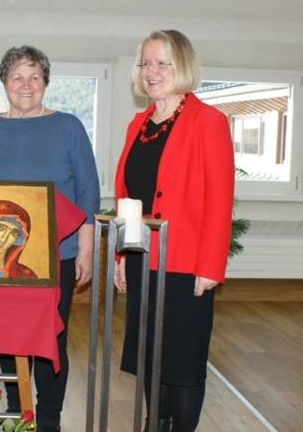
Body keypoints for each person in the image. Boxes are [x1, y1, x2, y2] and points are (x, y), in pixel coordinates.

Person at [0, 45, 100, 432]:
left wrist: (86, 248)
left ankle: (50, 417)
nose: (27, 84)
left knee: (52, 336)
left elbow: (88, 190)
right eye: (18, 76)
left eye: (35, 76)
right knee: (8, 335)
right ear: (4, 82)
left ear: (45, 83)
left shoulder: (69, 126)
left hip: (60, 254)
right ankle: (17, 408)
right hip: (1, 259)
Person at [114, 30, 234, 432]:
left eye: (162, 62)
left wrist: (210, 265)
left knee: (182, 363)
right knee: (151, 359)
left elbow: (220, 198)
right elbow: (127, 197)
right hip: (142, 261)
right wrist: (121, 256)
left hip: (186, 265)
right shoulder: (139, 124)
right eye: (146, 63)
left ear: (182, 66)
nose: (152, 71)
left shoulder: (208, 122)